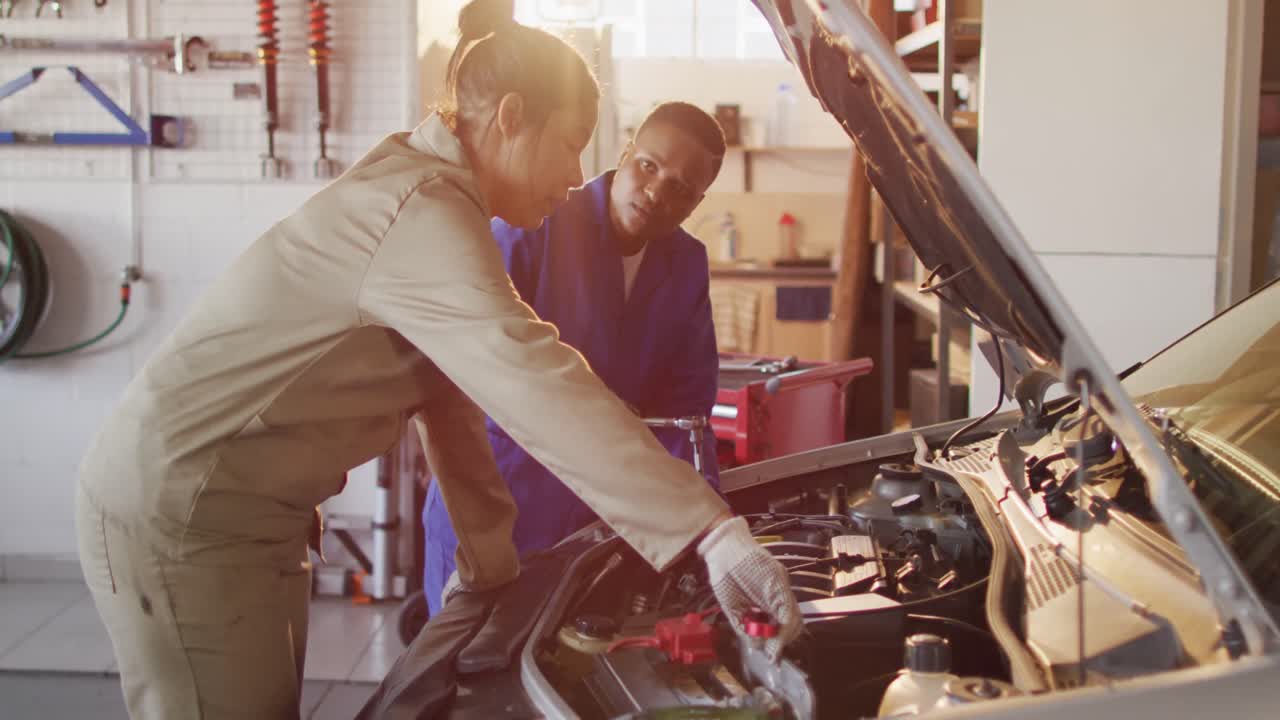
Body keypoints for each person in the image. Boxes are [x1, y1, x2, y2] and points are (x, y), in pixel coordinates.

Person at [74, 1, 800, 717]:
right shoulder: (421, 209)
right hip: (188, 512)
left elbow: (450, 392)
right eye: (572, 142)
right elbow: (531, 378)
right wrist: (710, 530)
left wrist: (490, 565)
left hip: (244, 513)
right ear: (511, 116)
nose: (578, 173)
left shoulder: (441, 200)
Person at [422, 101, 728, 616]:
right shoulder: (533, 224)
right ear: (627, 150)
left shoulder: (686, 263)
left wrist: (709, 531)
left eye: (680, 188)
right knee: (461, 676)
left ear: (697, 202)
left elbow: (687, 411)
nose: (656, 193)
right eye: (648, 167)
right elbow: (472, 372)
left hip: (600, 521)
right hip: (497, 502)